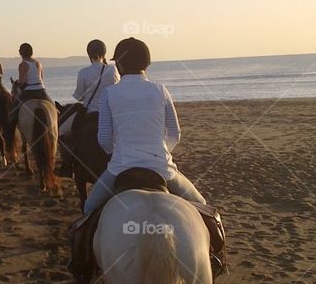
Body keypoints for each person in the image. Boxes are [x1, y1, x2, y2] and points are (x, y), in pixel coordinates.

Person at [82, 37, 206, 217]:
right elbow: (174, 133)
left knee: (89, 208)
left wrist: (117, 154)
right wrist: (160, 151)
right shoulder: (160, 90)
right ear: (146, 64)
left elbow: (104, 139)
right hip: (161, 168)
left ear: (119, 65)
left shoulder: (109, 94)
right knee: (202, 206)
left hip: (120, 168)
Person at [56, 40, 119, 177]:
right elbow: (117, 90)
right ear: (104, 53)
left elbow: (79, 97)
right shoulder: (112, 69)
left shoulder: (83, 72)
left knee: (62, 132)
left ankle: (67, 165)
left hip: (91, 115)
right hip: (110, 114)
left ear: (88, 54)